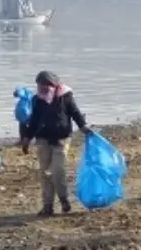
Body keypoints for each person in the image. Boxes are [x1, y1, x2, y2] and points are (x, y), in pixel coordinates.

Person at [19, 71, 92, 216]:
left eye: (46, 86)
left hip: (61, 140)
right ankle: (48, 206)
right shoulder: (37, 100)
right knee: (45, 173)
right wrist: (26, 138)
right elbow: (34, 121)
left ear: (54, 85)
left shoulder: (65, 97)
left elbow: (75, 113)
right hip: (43, 140)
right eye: (40, 86)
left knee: (58, 171)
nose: (43, 89)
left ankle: (64, 200)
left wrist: (83, 127)